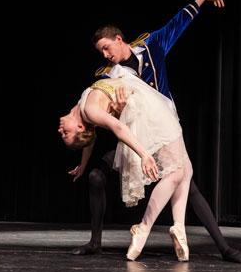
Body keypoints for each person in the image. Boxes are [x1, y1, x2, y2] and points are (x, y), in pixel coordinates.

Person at [67, 0, 241, 263]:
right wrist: (111, 113)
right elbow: (96, 117)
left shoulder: (152, 46)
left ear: (119, 39)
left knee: (187, 182)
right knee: (96, 177)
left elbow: (177, 23)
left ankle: (223, 247)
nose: (105, 55)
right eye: (101, 51)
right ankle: (96, 242)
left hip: (164, 128)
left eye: (107, 47)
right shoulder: (108, 75)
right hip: (134, 136)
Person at [59, 66, 193, 261]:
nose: (60, 131)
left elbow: (91, 137)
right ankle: (144, 229)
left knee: (185, 170)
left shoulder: (83, 108)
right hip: (146, 110)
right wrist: (144, 154)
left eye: (65, 134)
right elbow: (117, 127)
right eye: (66, 134)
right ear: (80, 126)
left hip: (145, 104)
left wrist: (83, 165)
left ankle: (179, 228)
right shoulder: (89, 110)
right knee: (178, 172)